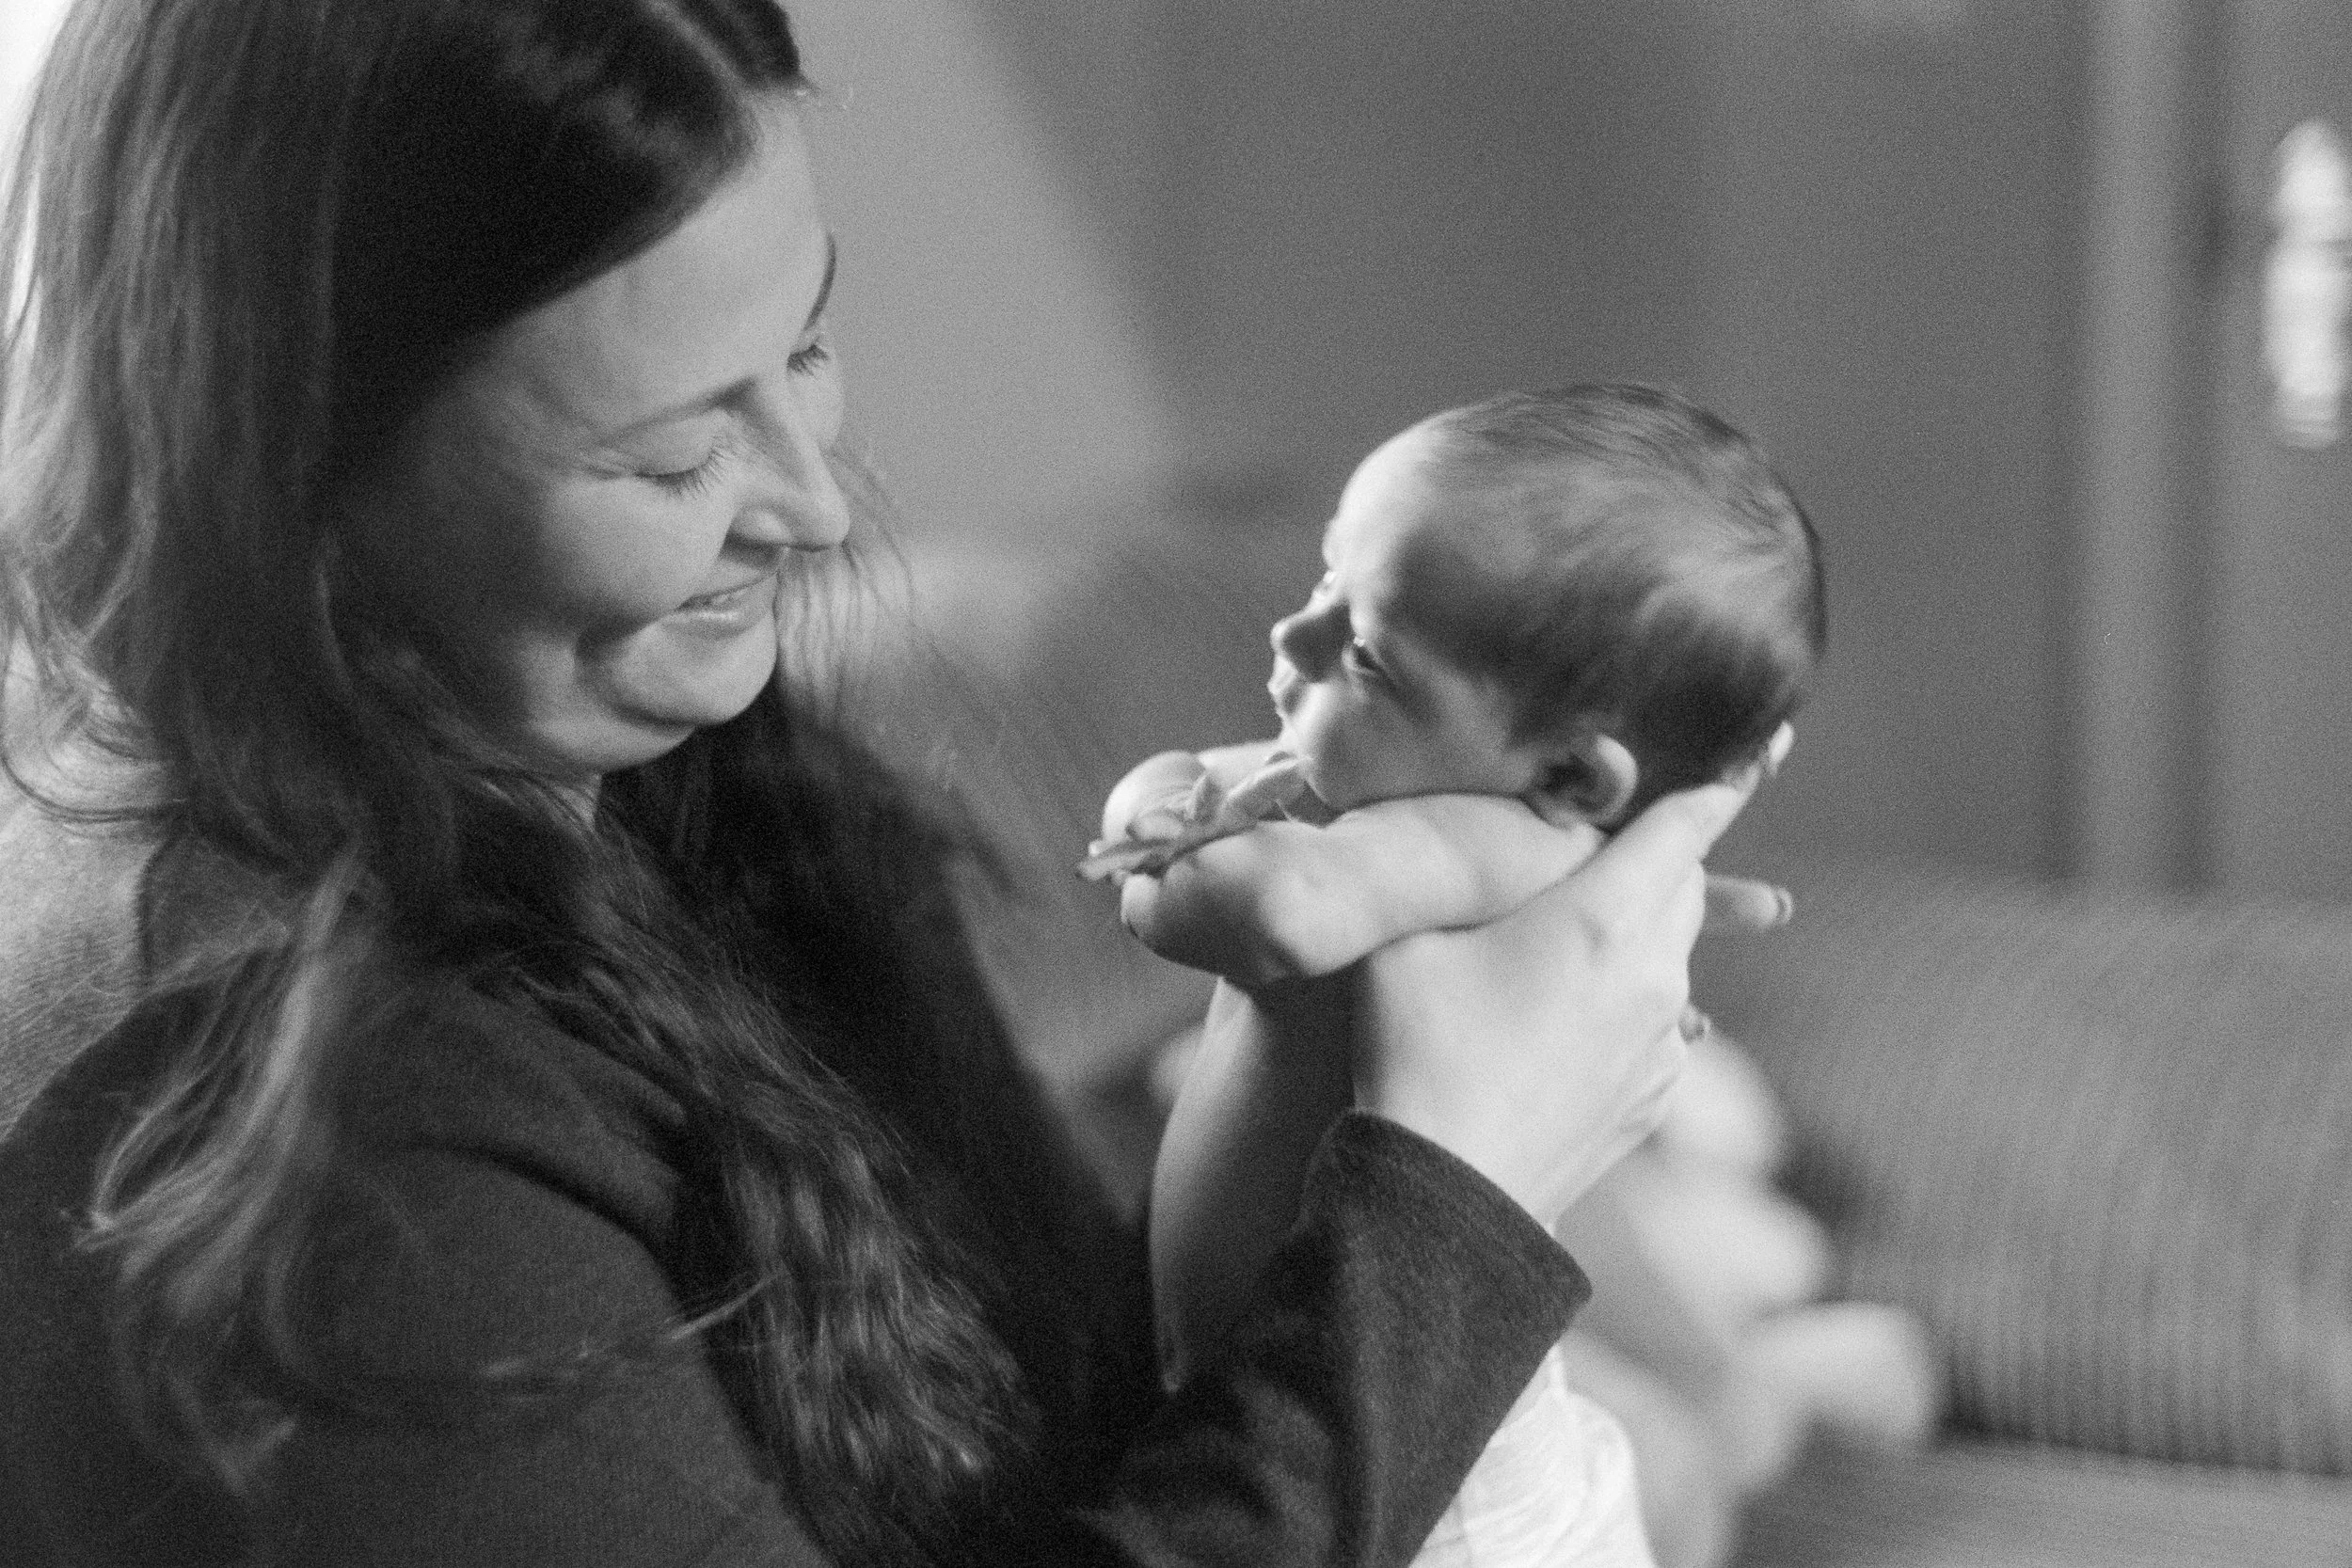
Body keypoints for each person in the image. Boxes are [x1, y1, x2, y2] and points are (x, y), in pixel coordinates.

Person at [0, 4, 1770, 1564]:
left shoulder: (666, 763)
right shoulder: (328, 1162)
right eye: (676, 448)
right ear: (283, 459)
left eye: (809, 350)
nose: (816, 502)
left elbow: (1066, 1369)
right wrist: (1461, 1179)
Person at [1090, 386, 1823, 1567]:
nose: (1293, 640)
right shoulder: (1365, 792)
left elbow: (1273, 912)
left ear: (1571, 778)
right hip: (1348, 1431)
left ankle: (1776, 1386)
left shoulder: (1484, 846)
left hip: (1454, 1517)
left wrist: (1170, 836)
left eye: (1366, 653)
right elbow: (1172, 816)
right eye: (1327, 580)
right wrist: (1168, 819)